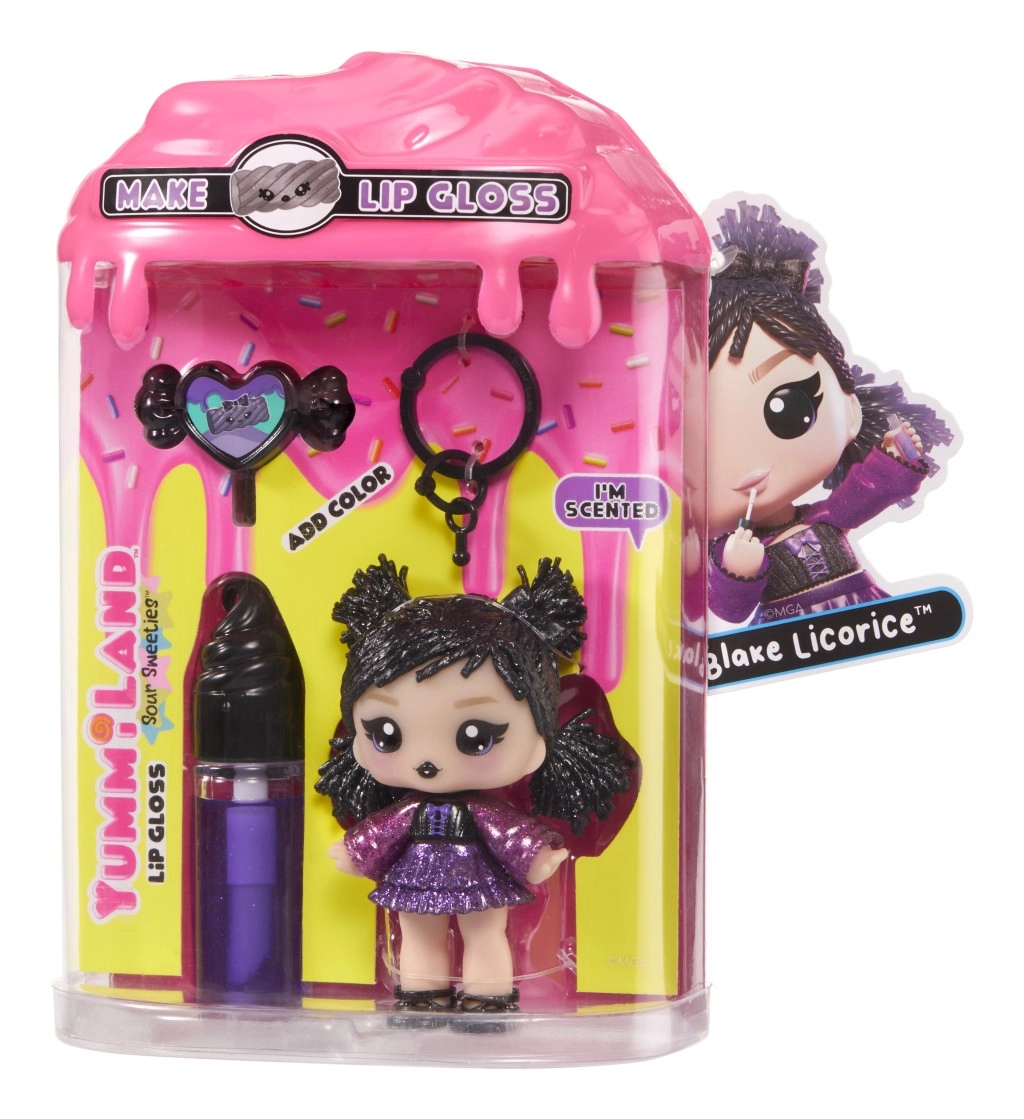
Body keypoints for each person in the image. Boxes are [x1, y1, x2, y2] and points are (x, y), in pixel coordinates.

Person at [315, 555, 633, 1024]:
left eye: (476, 737)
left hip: (478, 875)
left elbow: (508, 833)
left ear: (539, 740)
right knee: (418, 933)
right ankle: (420, 995)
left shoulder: (480, 811)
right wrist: (356, 850)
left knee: (485, 934)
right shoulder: (410, 810)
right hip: (415, 876)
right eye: (386, 733)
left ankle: (489, 998)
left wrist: (537, 856)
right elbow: (383, 830)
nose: (428, 762)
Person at [707, 201, 951, 625]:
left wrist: (894, 456)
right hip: (785, 644)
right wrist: (737, 571)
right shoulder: (736, 547)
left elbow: (869, 490)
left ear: (850, 408)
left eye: (789, 407)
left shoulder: (829, 516)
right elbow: (729, 608)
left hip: (864, 621)